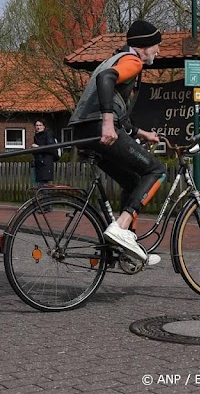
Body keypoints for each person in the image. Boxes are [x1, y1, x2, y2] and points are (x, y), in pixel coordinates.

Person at [68, 19, 167, 266]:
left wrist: (140, 132)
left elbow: (113, 101)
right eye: (156, 45)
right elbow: (105, 80)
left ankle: (126, 248)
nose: (158, 51)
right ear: (144, 46)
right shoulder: (132, 61)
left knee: (133, 180)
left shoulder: (114, 58)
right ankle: (121, 227)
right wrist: (108, 123)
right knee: (156, 170)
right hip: (98, 129)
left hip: (82, 130)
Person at [31, 119, 58, 188]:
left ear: (44, 126)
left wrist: (38, 147)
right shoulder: (37, 136)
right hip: (39, 162)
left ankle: (45, 197)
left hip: (46, 162)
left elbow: (51, 147)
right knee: (39, 183)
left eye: (40, 125)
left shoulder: (48, 134)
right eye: (37, 125)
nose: (38, 127)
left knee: (44, 184)